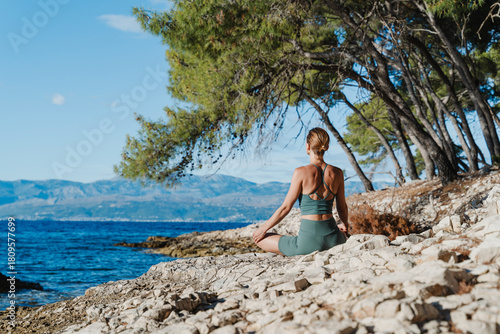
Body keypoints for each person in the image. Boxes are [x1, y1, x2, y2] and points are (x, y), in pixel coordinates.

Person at [252, 127, 349, 256]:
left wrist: (263, 229)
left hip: (308, 244)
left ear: (308, 146)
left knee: (261, 239)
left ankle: (292, 249)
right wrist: (344, 225)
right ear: (327, 147)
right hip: (335, 239)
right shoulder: (337, 173)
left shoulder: (301, 172)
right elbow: (342, 207)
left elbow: (285, 208)